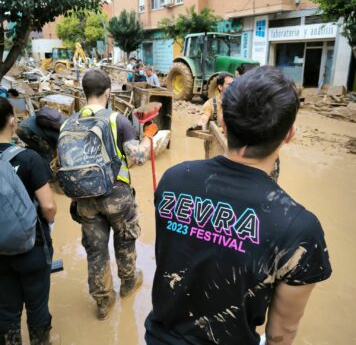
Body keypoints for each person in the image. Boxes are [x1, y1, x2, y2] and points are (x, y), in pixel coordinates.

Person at [145, 66, 332, 345]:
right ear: (289, 134)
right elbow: (281, 333)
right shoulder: (300, 230)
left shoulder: (174, 179)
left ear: (223, 122)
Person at [68, 69, 157, 321]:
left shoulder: (69, 122)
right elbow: (137, 158)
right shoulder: (118, 120)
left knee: (96, 250)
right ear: (108, 92)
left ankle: (103, 300)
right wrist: (148, 137)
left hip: (85, 198)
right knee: (125, 238)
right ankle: (128, 283)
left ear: (84, 92)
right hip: (116, 195)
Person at [0, 97, 57, 345]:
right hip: (32, 247)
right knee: (37, 307)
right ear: (12, 121)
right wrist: (49, 222)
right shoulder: (30, 159)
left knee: (6, 312)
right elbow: (48, 206)